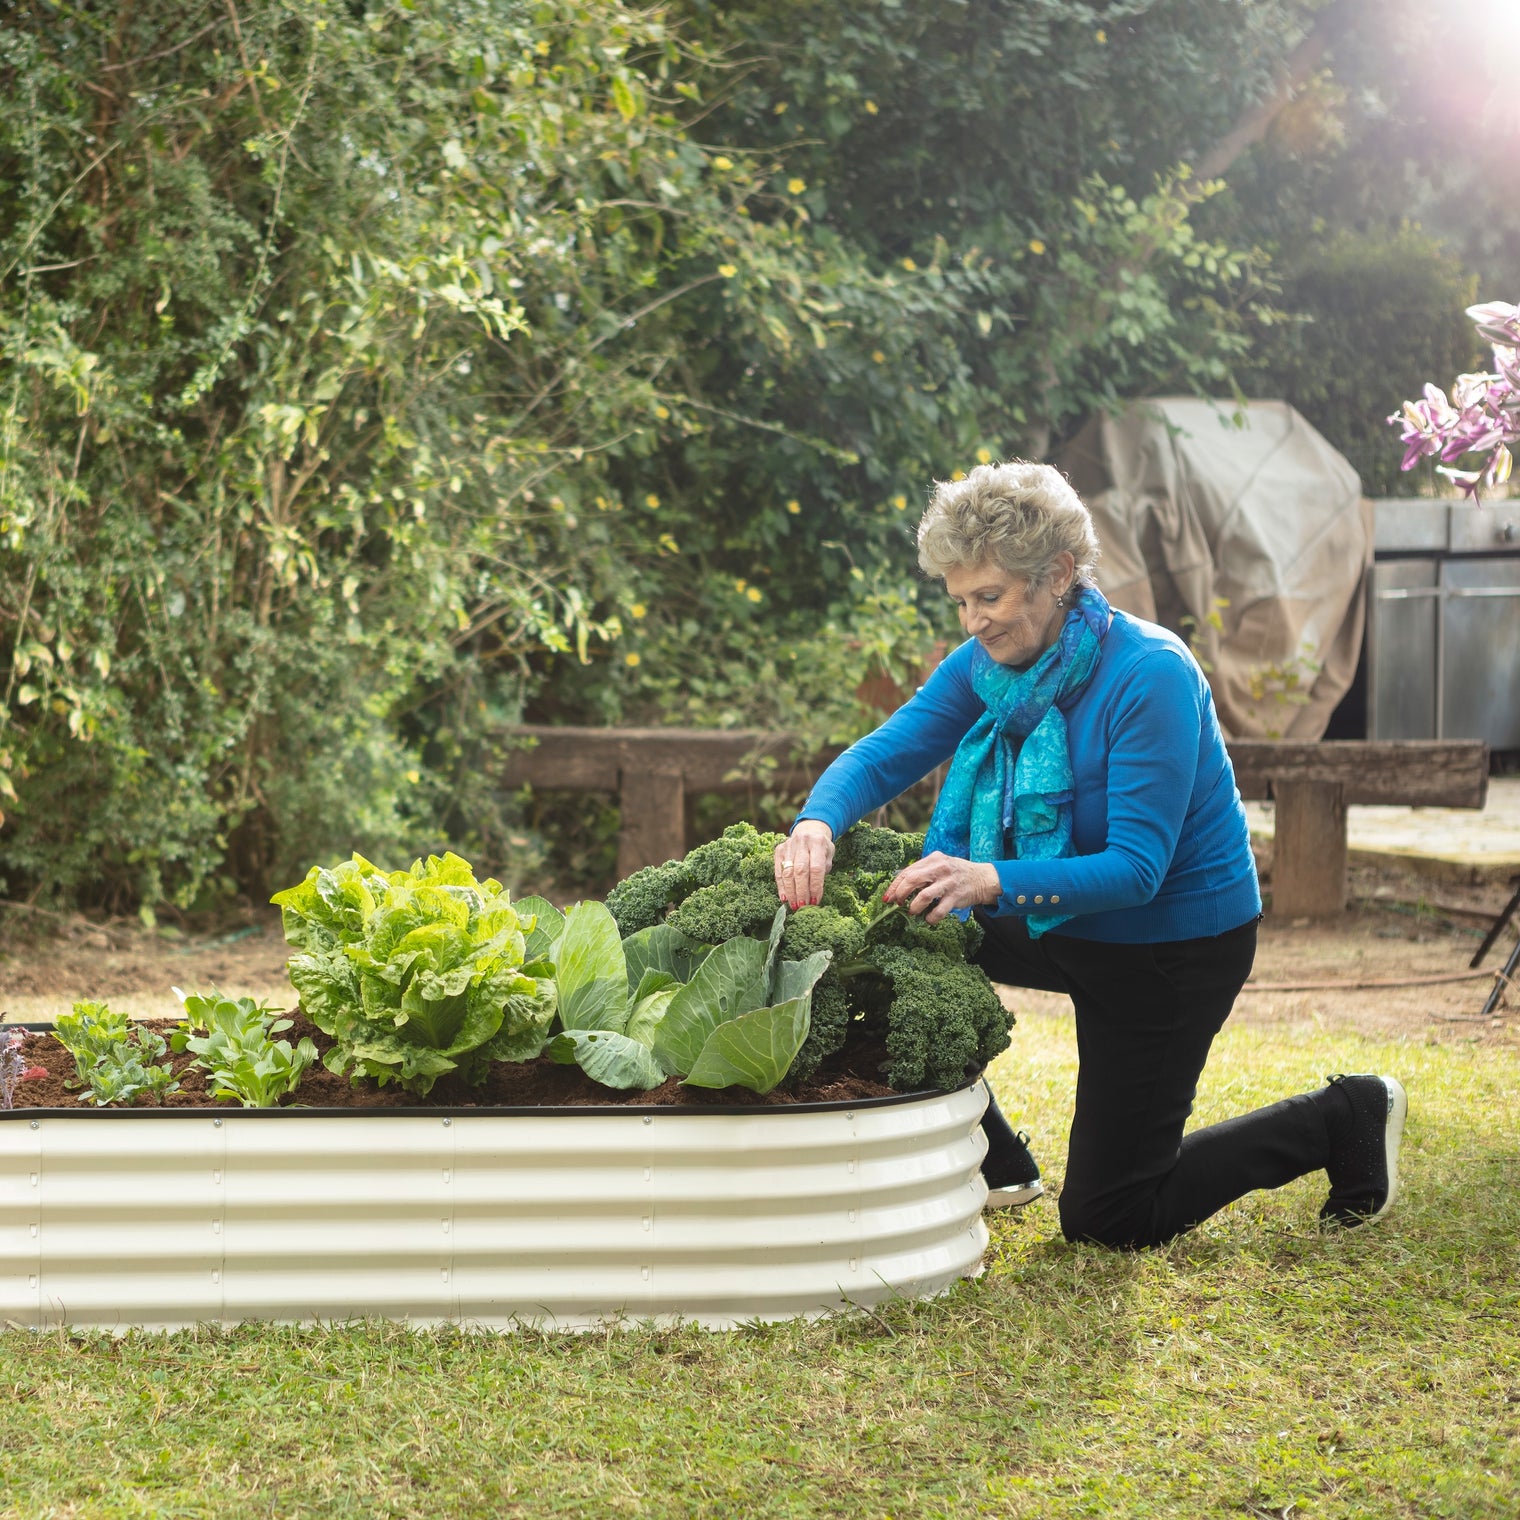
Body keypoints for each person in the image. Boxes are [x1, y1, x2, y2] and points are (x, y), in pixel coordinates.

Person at [772, 461, 1406, 1250]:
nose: (973, 622)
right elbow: (882, 754)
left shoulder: (1151, 674)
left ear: (1058, 574)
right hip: (1059, 922)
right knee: (876, 930)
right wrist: (816, 824)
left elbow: (1136, 871)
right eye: (960, 600)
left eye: (989, 597)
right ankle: (996, 1161)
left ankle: (1342, 1116)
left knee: (1110, 1220)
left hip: (1170, 949)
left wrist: (987, 878)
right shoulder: (989, 666)